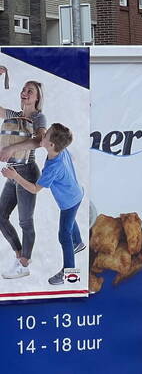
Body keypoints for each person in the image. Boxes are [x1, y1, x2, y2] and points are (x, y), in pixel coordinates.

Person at [1, 123, 84, 285]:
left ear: (51, 145)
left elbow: (34, 189)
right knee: (70, 222)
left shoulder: (52, 167)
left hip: (69, 202)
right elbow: (70, 155)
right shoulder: (61, 150)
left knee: (63, 235)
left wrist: (15, 176)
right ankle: (78, 243)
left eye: (46, 135)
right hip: (77, 193)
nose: (43, 134)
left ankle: (70, 275)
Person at [0, 69, 46, 280]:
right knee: (1, 216)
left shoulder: (38, 117)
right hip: (12, 172)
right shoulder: (13, 115)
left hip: (27, 170)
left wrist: (10, 149)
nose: (25, 93)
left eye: (30, 91)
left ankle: (24, 263)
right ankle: (20, 256)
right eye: (24, 89)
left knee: (25, 222)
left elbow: (40, 141)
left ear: (37, 98)